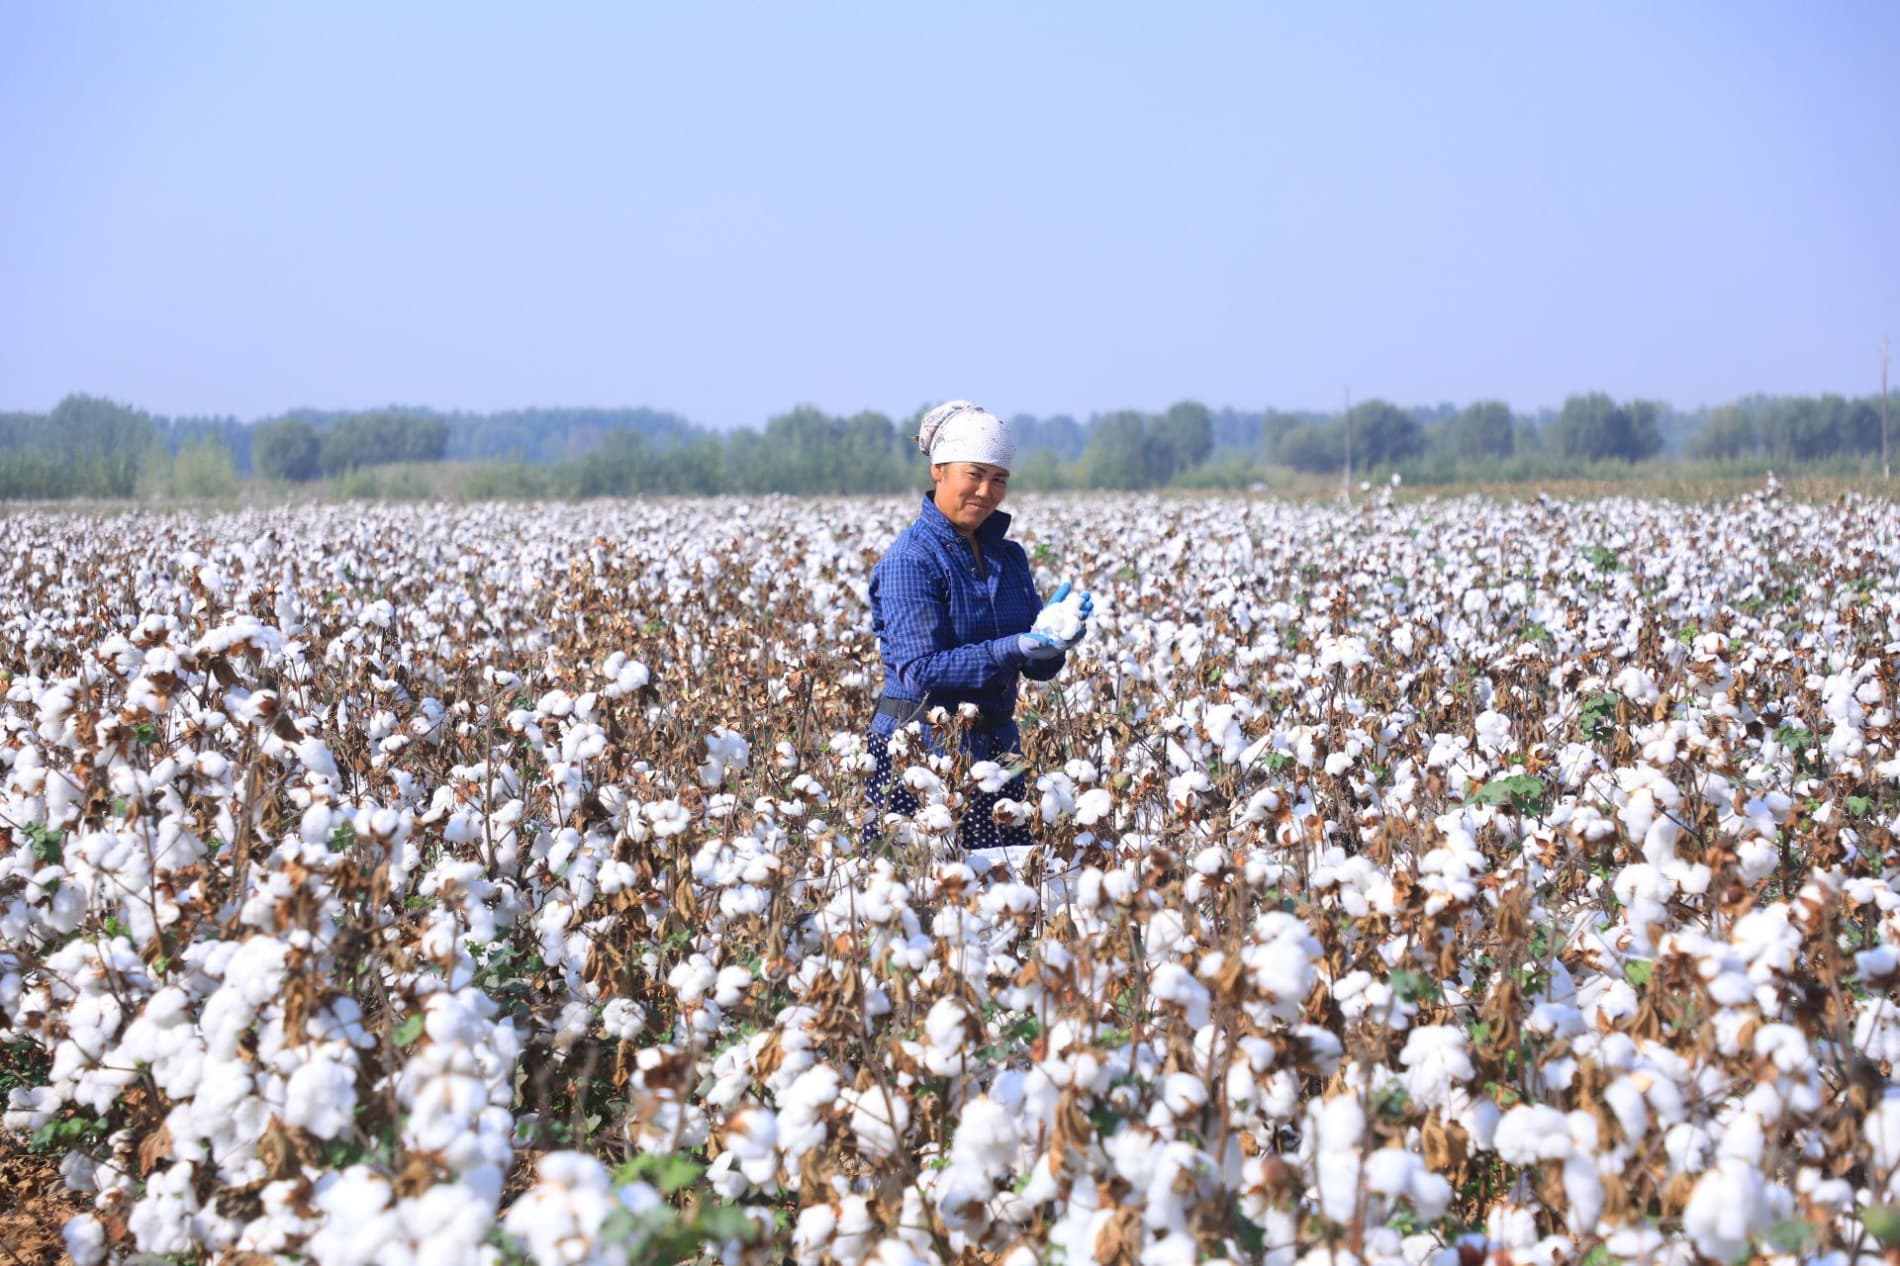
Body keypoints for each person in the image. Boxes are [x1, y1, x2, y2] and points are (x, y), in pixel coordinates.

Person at [865, 399, 1091, 854]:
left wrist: (1054, 641)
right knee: (926, 892)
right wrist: (1014, 646)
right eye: (975, 475)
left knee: (1008, 889)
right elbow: (921, 670)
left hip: (999, 745)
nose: (986, 491)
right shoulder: (912, 561)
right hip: (919, 749)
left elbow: (1035, 667)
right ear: (940, 471)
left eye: (999, 479)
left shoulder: (1010, 558)